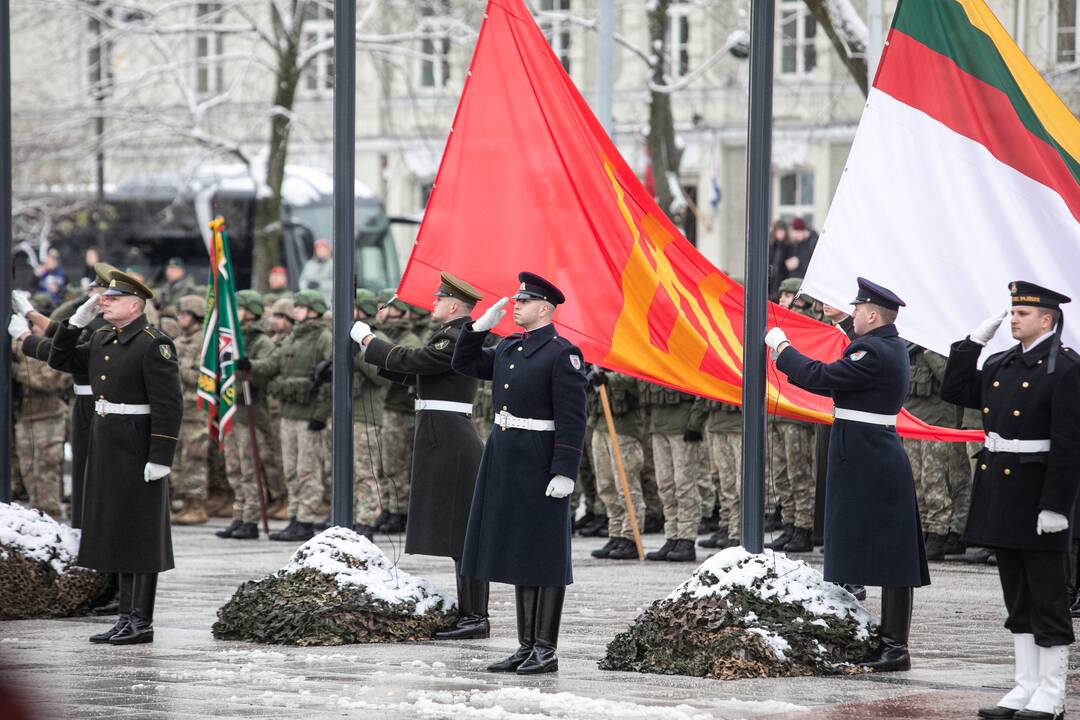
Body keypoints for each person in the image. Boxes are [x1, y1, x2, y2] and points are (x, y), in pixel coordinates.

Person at [766, 277, 929, 672]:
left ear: (872, 314)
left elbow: (821, 378)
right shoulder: (881, 344)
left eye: (857, 308)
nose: (853, 313)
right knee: (866, 545)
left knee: (892, 555)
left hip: (869, 454)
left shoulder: (874, 351)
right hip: (865, 450)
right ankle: (883, 641)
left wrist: (782, 348)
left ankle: (894, 647)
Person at [940, 281, 1080, 720]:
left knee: (1047, 596)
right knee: (1017, 597)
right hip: (1001, 492)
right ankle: (1025, 686)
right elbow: (956, 391)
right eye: (1013, 311)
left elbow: (1069, 443)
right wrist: (969, 345)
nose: (1013, 318)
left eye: (1023, 313)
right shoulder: (1002, 361)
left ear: (1047, 319)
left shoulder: (1065, 369)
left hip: (1038, 494)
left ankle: (1052, 693)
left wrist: (1057, 505)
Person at [452, 272, 588, 674]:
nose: (516, 306)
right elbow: (465, 364)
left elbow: (572, 419)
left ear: (544, 308)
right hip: (505, 457)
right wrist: (477, 329)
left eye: (524, 302)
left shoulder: (562, 354)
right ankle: (524, 645)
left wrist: (564, 470)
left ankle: (545, 648)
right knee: (518, 550)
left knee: (544, 554)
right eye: (517, 300)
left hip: (540, 458)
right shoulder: (511, 346)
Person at [47, 269, 183, 645]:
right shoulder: (104, 336)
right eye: (103, 297)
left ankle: (142, 621)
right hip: (107, 443)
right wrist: (76, 322)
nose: (103, 302)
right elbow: (60, 360)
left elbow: (169, 405)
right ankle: (125, 616)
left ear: (135, 305)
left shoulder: (154, 344)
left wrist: (161, 455)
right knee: (118, 530)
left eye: (112, 299)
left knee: (141, 532)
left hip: (138, 444)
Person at [352, 273, 488, 638]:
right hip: (440, 432)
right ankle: (470, 613)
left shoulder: (456, 337)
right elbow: (420, 373)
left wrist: (368, 339)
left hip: (451, 437)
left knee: (462, 533)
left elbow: (417, 360)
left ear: (455, 305)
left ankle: (476, 617)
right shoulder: (453, 335)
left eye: (439, 299)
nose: (433, 303)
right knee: (457, 531)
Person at [11, 263, 116, 527]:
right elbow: (62, 336)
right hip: (84, 401)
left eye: (96, 290)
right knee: (82, 470)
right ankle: (83, 525)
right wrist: (31, 316)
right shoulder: (98, 323)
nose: (90, 294)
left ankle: (90, 528)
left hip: (96, 403)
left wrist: (26, 332)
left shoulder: (103, 326)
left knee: (92, 471)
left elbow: (61, 350)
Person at [239, 290, 331, 542]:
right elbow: (273, 364)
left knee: (308, 470)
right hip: (290, 414)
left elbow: (330, 381)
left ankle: (306, 519)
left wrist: (321, 415)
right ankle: (294, 516)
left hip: (309, 416)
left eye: (301, 307)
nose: (296, 311)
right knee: (290, 470)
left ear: (313, 310)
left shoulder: (323, 338)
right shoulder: (292, 339)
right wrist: (250, 365)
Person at [218, 290, 276, 540]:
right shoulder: (231, 338)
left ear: (251, 311)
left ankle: (251, 518)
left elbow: (270, 366)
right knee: (234, 468)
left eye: (240, 307)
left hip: (250, 410)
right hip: (232, 409)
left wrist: (250, 365)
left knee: (249, 467)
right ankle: (239, 515)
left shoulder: (261, 341)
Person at [8, 299, 71, 519]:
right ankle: (37, 515)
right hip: (26, 417)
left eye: (35, 325)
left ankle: (51, 515)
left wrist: (16, 371)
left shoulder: (56, 350)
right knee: (28, 470)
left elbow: (49, 382)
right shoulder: (23, 349)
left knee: (45, 470)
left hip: (49, 417)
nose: (33, 328)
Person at [640, 383, 708, 563]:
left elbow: (702, 390)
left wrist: (695, 422)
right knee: (665, 486)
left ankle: (686, 538)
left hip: (682, 426)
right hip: (658, 425)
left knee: (684, 485)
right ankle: (672, 535)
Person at [585, 367, 645, 561]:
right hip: (600, 422)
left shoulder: (629, 345)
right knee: (605, 485)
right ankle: (616, 531)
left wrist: (609, 378)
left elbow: (639, 376)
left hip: (623, 426)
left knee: (626, 484)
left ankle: (630, 535)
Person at [347, 289, 391, 539]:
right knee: (347, 470)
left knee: (366, 470)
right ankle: (351, 515)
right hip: (347, 415)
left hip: (368, 414)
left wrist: (361, 355)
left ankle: (367, 518)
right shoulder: (344, 337)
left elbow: (381, 376)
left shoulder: (377, 339)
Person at [170, 295, 211, 525]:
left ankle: (197, 504)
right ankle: (186, 502)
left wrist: (181, 368)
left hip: (196, 409)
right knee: (179, 460)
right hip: (180, 408)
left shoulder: (204, 342)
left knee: (194, 457)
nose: (180, 318)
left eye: (185, 314)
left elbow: (205, 378)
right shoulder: (178, 342)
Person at [298, 238, 334, 302]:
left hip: (328, 301)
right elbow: (302, 281)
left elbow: (338, 285)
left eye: (324, 248)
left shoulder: (333, 264)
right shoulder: (309, 264)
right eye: (318, 249)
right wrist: (307, 285)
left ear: (329, 250)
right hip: (311, 301)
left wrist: (320, 284)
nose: (321, 251)